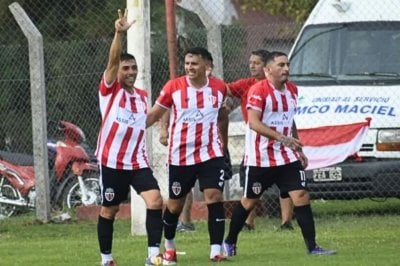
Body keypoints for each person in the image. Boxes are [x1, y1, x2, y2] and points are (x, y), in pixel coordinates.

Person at [223, 51, 337, 256]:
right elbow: (254, 123)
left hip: (287, 157)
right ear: (268, 70)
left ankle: (313, 247)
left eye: (287, 64)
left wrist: (297, 148)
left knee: (301, 196)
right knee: (249, 200)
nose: (286, 69)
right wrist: (281, 138)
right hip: (260, 159)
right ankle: (229, 241)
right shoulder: (258, 91)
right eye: (281, 65)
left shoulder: (292, 90)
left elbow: (289, 120)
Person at [147, 47, 229, 263]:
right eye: (187, 63)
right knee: (175, 205)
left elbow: (222, 116)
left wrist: (224, 146)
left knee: (214, 196)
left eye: (194, 63)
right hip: (181, 156)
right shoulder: (174, 87)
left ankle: (215, 250)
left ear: (206, 67)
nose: (189, 67)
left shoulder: (220, 88)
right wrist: (133, 129)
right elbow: (156, 113)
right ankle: (170, 245)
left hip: (210, 153)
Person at [95, 9, 163, 266]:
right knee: (109, 210)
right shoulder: (110, 91)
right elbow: (112, 62)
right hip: (112, 161)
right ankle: (107, 258)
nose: (131, 71)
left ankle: (153, 256)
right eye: (126, 68)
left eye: (134, 67)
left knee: (155, 201)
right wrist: (118, 34)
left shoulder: (142, 96)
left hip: (137, 162)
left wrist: (163, 115)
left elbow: (142, 122)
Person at [227, 49, 294, 230]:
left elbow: (290, 118)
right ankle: (247, 223)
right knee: (250, 188)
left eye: (256, 62)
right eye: (250, 62)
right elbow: (225, 89)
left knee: (289, 185)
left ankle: (286, 221)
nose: (252, 66)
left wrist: (294, 142)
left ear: (267, 67)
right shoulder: (246, 85)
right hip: (256, 147)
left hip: (280, 145)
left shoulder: (283, 87)